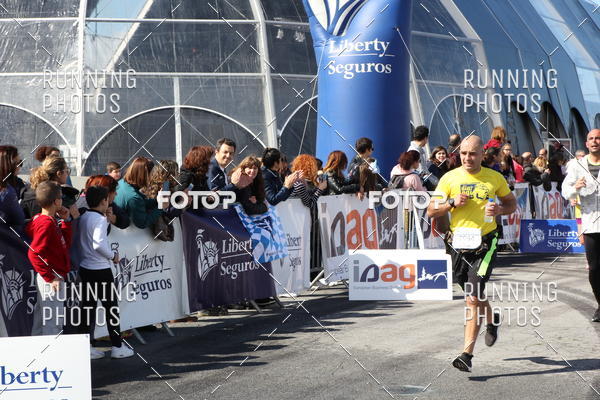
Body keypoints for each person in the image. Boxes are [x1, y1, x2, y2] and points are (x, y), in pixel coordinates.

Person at [427, 135, 516, 372]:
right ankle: (492, 319)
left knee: (472, 297)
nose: (467, 158)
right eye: (464, 153)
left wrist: (499, 209)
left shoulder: (494, 177)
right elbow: (431, 211)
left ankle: (466, 354)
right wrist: (451, 203)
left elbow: (511, 204)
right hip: (458, 244)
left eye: (473, 153)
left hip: (486, 243)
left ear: (482, 155)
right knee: (472, 294)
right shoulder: (449, 178)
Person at [75, 185, 134, 359]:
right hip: (100, 270)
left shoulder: (85, 216)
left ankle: (86, 347)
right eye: (108, 199)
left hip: (86, 269)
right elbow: (98, 244)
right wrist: (113, 256)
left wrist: (106, 220)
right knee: (111, 310)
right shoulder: (99, 219)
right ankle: (117, 346)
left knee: (87, 310)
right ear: (104, 201)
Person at [26, 181, 78, 335]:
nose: (62, 200)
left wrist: (66, 221)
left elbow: (64, 244)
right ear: (56, 201)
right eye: (61, 197)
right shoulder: (46, 223)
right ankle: (50, 351)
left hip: (51, 277)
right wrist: (51, 277)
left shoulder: (45, 219)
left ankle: (39, 350)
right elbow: (33, 253)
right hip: (52, 279)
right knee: (53, 324)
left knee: (41, 322)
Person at [562, 129, 600, 321]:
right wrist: (575, 188)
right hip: (590, 224)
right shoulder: (577, 165)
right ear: (586, 144)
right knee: (594, 269)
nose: (595, 141)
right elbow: (565, 190)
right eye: (591, 139)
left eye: (598, 138)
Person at [291, 155, 327, 280]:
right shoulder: (298, 183)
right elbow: (310, 203)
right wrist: (320, 189)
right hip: (298, 224)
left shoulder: (303, 181)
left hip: (306, 222)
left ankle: (313, 275)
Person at [114, 157, 164, 229]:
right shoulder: (134, 198)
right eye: (152, 175)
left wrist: (156, 201)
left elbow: (140, 202)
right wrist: (161, 206)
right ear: (145, 176)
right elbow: (142, 223)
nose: (153, 178)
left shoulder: (122, 182)